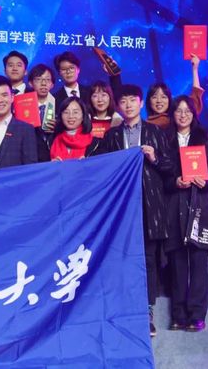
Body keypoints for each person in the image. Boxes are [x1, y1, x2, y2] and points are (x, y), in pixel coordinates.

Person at [90, 84, 173, 337]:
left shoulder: (155, 132)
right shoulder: (112, 136)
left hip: (149, 205)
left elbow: (170, 167)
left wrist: (154, 157)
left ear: (140, 103)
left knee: (148, 260)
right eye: (123, 101)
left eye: (132, 100)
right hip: (121, 207)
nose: (128, 105)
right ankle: (121, 310)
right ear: (118, 106)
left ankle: (146, 312)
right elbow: (102, 168)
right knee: (119, 258)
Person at [164, 96, 208, 333]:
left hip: (199, 204)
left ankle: (197, 315)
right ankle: (178, 314)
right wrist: (174, 181)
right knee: (177, 261)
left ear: (193, 114)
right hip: (174, 205)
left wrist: (206, 182)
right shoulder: (165, 139)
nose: (183, 115)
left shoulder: (204, 139)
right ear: (173, 114)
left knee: (198, 261)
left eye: (187, 111)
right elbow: (160, 174)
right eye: (178, 111)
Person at [146, 54, 205, 129]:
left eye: (163, 97)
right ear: (149, 101)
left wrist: (195, 69)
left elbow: (194, 100)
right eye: (154, 97)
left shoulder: (176, 118)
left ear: (169, 100)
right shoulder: (145, 126)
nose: (159, 101)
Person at [50, 97, 98, 161]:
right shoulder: (51, 141)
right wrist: (51, 165)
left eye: (75, 112)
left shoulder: (95, 143)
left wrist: (87, 164)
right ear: (60, 116)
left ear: (83, 116)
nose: (71, 116)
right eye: (66, 112)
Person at [28, 63, 58, 161]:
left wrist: (58, 127)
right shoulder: (24, 105)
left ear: (52, 84)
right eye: (38, 79)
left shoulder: (60, 104)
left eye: (48, 80)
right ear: (30, 83)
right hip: (31, 155)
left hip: (55, 156)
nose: (43, 83)